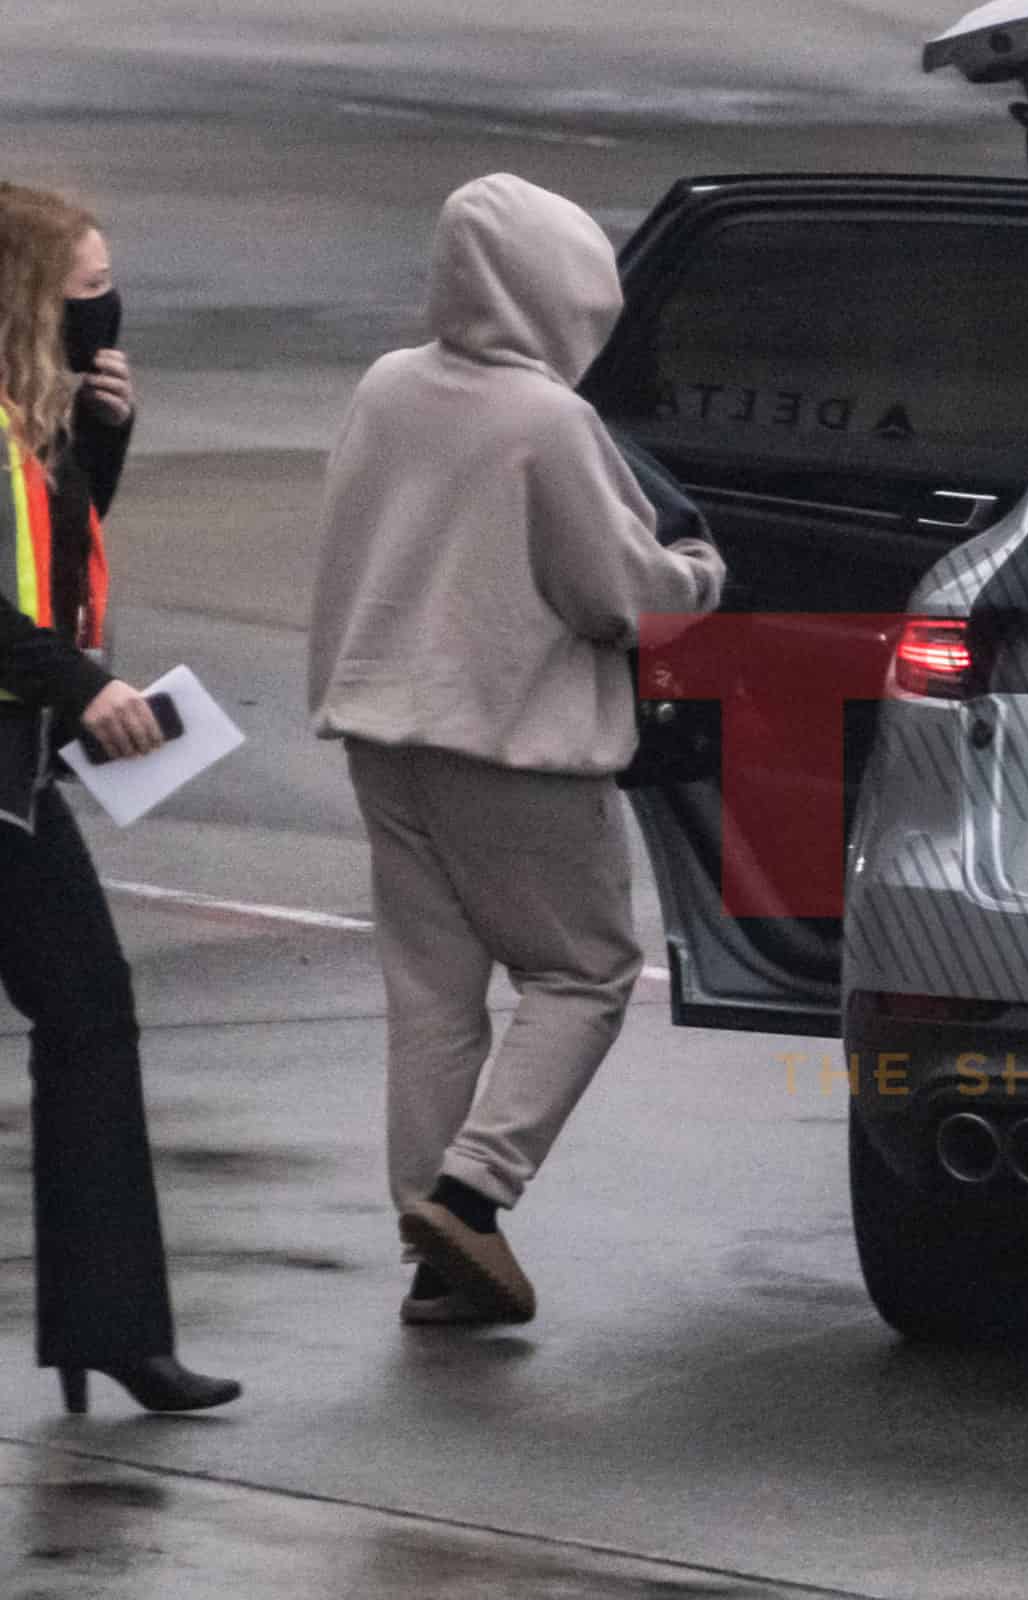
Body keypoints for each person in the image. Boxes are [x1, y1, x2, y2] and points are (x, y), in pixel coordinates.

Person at [308, 172, 725, 1328]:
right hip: (513, 739)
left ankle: (436, 1249)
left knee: (430, 993)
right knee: (583, 972)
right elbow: (619, 597)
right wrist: (698, 574)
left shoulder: (388, 385)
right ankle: (472, 1192)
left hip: (382, 728)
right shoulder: (548, 422)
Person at [0, 181, 242, 1415]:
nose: (106, 314)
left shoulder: (25, 419)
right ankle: (111, 1329)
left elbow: (45, 562)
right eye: (85, 293)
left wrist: (97, 445)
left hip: (13, 778)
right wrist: (81, 685)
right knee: (88, 1009)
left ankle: (111, 1327)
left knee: (91, 1009)